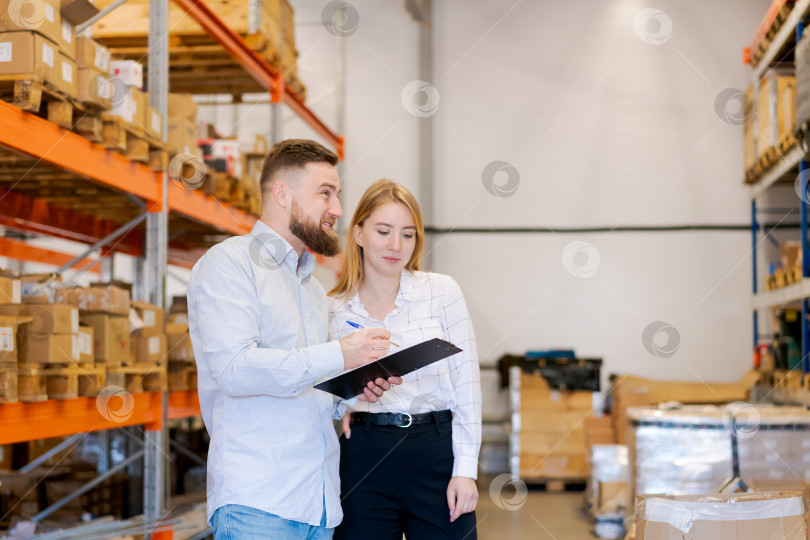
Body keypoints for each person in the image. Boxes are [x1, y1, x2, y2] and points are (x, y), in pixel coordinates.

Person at [188, 140, 401, 540]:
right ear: (281, 194)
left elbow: (309, 386)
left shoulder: (313, 289)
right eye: (326, 193)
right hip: (258, 505)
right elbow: (234, 370)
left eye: (337, 194)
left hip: (317, 505)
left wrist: (354, 389)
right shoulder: (231, 263)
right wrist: (340, 353)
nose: (337, 209)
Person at [328, 180, 482, 540]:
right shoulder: (333, 308)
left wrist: (465, 469)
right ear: (358, 233)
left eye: (408, 234)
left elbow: (468, 384)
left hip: (435, 451)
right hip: (364, 453)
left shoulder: (442, 292)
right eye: (384, 231)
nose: (396, 245)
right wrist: (347, 400)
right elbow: (324, 392)